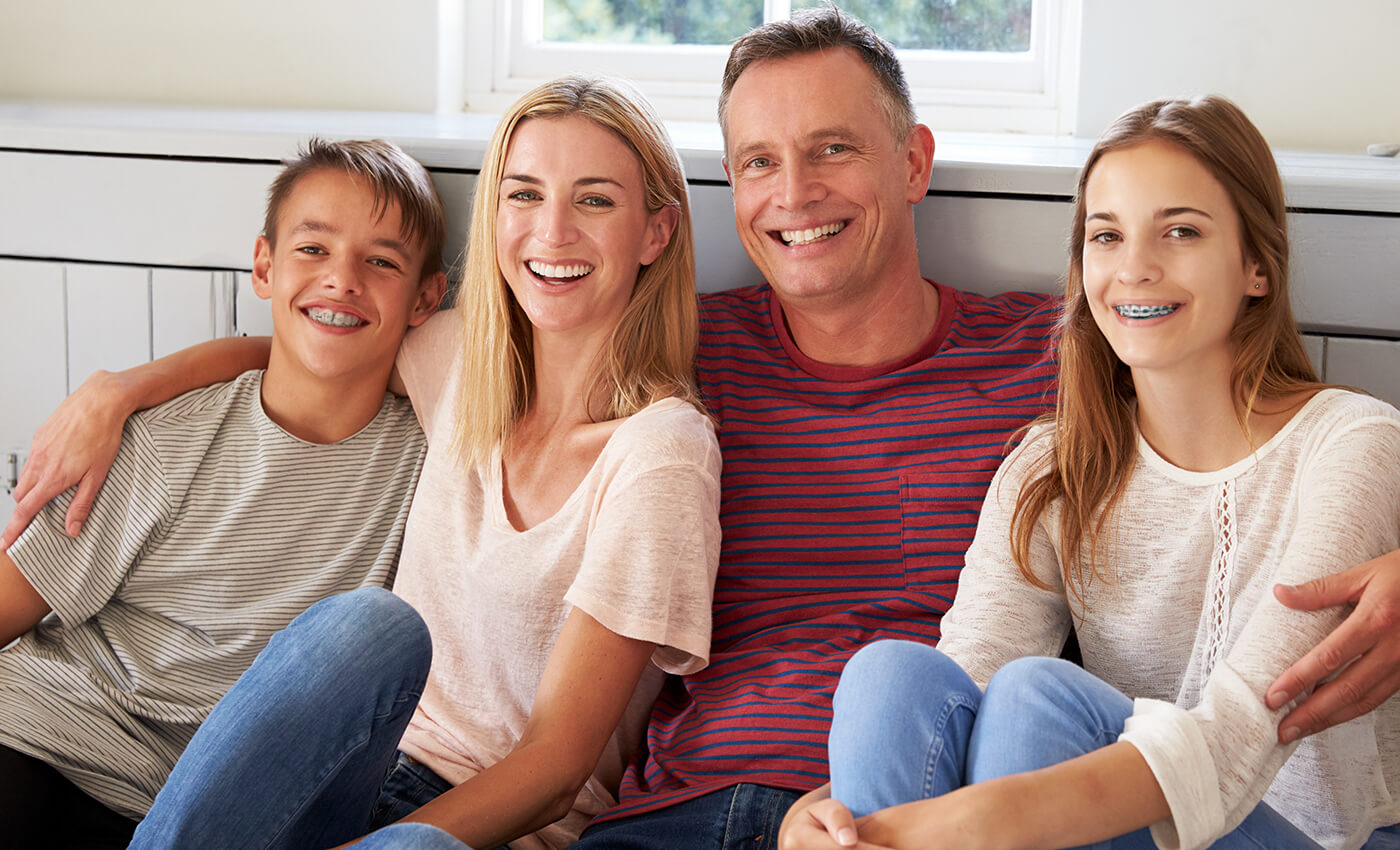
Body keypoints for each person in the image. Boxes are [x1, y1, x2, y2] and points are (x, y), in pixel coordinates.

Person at [6, 9, 1400, 849]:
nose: (794, 191)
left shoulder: (1053, 354)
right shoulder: (671, 358)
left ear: (912, 162)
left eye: (836, 148)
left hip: (886, 789)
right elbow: (353, 319)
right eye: (759, 162)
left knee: (921, 685)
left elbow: (1243, 412)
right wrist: (122, 389)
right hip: (674, 807)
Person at [119, 75, 722, 849]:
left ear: (656, 233)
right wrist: (121, 391)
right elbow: (310, 348)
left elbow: (554, 767)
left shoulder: (660, 454)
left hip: (492, 822)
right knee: (368, 626)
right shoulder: (461, 361)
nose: (553, 231)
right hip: (360, 770)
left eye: (595, 201)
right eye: (525, 195)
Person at [782, 95, 1400, 850]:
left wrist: (986, 819)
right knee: (888, 679)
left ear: (1257, 267)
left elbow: (1241, 738)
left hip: (1306, 836)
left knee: (1038, 703)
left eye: (1180, 231)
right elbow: (958, 692)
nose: (1135, 268)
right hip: (1094, 826)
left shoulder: (1352, 445)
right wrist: (828, 814)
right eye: (1106, 236)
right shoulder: (1053, 467)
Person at [0, 137, 446, 848]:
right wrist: (123, 391)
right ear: (264, 266)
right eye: (313, 250)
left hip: (206, 809)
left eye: (381, 261)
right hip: (39, 736)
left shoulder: (435, 456)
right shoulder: (165, 433)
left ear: (426, 297)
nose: (342, 279)